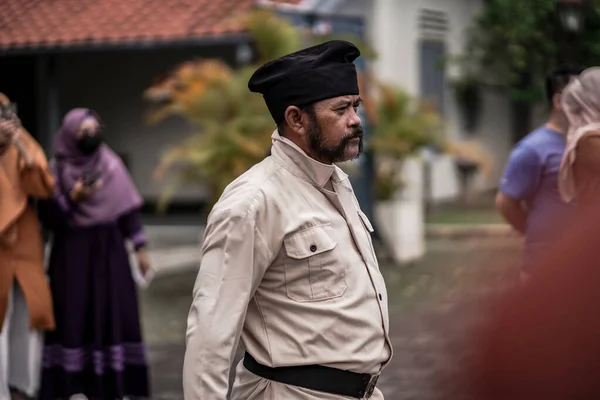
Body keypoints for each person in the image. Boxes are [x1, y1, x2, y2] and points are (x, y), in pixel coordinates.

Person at [183, 40, 392, 400]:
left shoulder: (336, 181)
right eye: (340, 109)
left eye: (355, 106)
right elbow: (210, 336)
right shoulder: (252, 202)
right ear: (296, 119)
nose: (356, 119)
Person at [37, 108, 152, 400]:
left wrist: (140, 248)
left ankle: (113, 385)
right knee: (73, 314)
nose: (91, 135)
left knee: (113, 313)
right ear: (68, 136)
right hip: (71, 255)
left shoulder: (111, 165)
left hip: (110, 254)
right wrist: (72, 199)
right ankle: (72, 385)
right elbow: (49, 217)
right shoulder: (56, 170)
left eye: (94, 128)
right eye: (83, 130)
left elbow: (129, 213)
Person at [495, 66, 584, 279]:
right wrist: (540, 234)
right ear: (559, 101)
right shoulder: (532, 150)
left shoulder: (588, 144)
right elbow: (506, 203)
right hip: (544, 269)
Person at [0, 93, 56, 400]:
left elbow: (43, 185)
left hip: (24, 242)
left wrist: (17, 142)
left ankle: (22, 384)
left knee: (28, 314)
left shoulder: (18, 140)